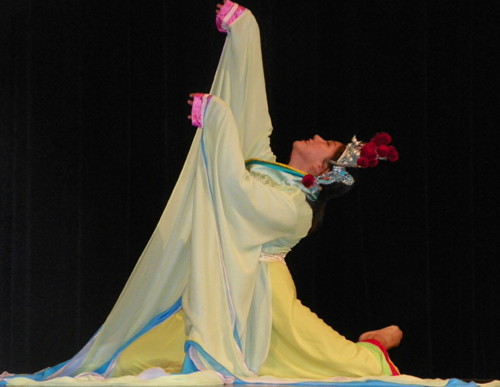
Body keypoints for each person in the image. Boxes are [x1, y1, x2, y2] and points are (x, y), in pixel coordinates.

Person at [1, 1, 401, 385]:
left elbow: (238, 195)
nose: (317, 136)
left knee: (341, 363)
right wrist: (246, 33)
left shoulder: (295, 208)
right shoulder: (275, 172)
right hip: (224, 286)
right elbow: (254, 125)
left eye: (326, 143)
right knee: (136, 358)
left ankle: (377, 344)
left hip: (265, 303)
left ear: (320, 168)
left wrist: (218, 118)